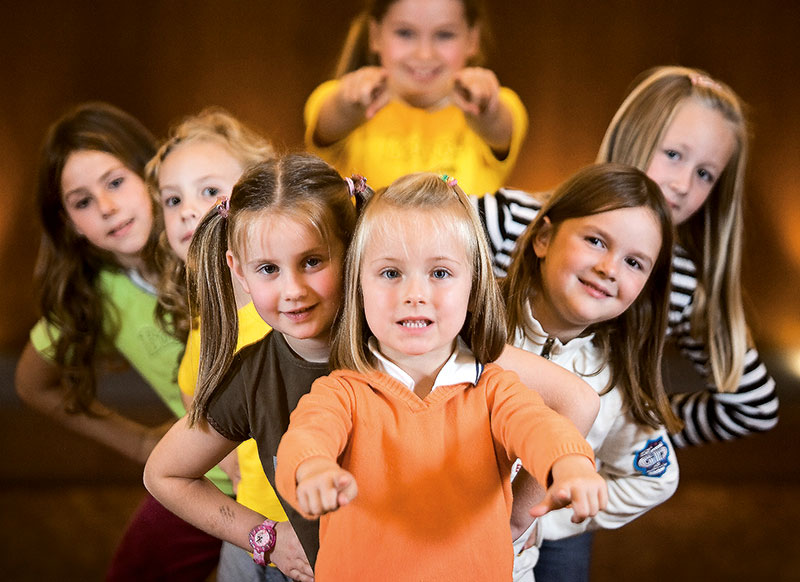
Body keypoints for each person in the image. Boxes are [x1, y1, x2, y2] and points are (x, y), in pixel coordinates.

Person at [473, 65, 778, 581]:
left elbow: (753, 405)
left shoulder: (679, 279)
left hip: (549, 516)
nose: (682, 184)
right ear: (545, 239)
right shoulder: (513, 217)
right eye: (674, 154)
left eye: (706, 173)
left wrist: (614, 430)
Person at [273, 172, 608, 581]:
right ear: (358, 287)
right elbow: (306, 438)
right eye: (391, 273)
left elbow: (540, 428)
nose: (415, 294)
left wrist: (570, 463)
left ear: (473, 289)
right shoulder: (341, 392)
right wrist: (311, 470)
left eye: (440, 273)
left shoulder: (494, 390)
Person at [13, 102, 224, 581]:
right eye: (82, 201)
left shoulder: (211, 248)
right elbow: (32, 385)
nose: (106, 207)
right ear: (69, 223)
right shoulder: (93, 295)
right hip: (199, 478)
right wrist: (140, 443)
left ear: (152, 175)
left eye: (115, 182)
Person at [501, 164, 681, 581]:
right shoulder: (472, 315)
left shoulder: (613, 385)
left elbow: (656, 478)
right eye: (596, 241)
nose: (609, 268)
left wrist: (541, 523)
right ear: (543, 238)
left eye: (634, 262)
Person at [144, 108, 286, 582]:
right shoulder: (204, 324)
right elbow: (195, 397)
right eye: (172, 199)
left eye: (209, 191)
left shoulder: (289, 312)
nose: (188, 209)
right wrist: (241, 477)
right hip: (253, 534)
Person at [304, 0, 528, 195]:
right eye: (405, 33)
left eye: (444, 35)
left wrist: (486, 105)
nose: (424, 53)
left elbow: (499, 124)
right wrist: (349, 104)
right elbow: (329, 121)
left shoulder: (501, 103)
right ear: (375, 35)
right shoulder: (339, 98)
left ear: (472, 39)